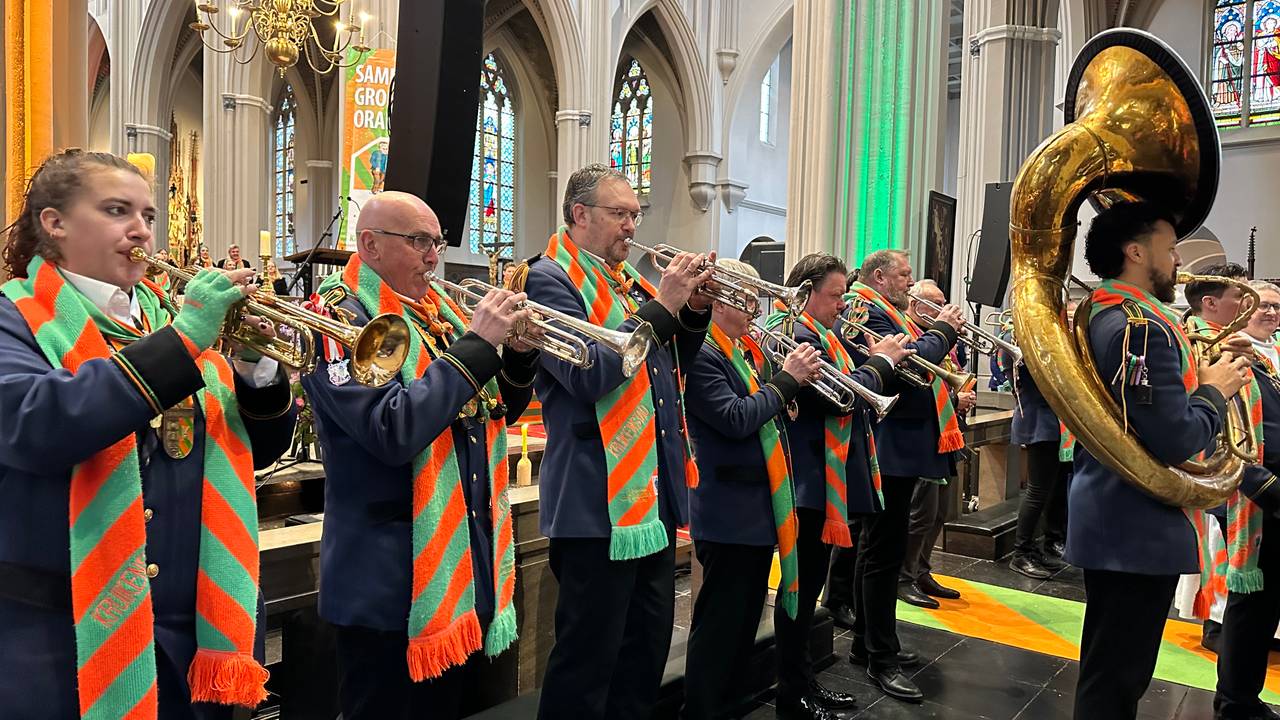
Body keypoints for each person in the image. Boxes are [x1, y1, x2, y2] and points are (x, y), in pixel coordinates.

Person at [0, 148, 297, 718]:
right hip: (66, 638)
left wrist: (257, 368)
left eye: (148, 216)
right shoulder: (15, 319)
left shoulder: (167, 321)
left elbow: (255, 450)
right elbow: (37, 426)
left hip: (190, 636)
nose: (140, 230)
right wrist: (186, 339)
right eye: (117, 211)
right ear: (54, 223)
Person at [299, 191, 538, 720]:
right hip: (388, 584)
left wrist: (518, 357)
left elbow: (495, 412)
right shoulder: (344, 318)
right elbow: (393, 428)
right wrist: (475, 347)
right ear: (370, 245)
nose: (434, 257)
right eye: (419, 242)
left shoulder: (436, 315)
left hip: (461, 568)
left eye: (437, 243)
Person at [523, 164, 713, 720]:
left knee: (644, 651)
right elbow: (589, 375)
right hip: (593, 500)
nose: (631, 226)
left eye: (635, 214)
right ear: (579, 215)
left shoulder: (624, 282)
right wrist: (665, 307)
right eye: (619, 214)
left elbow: (672, 366)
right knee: (587, 660)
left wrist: (694, 312)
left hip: (648, 497)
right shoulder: (547, 279)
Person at [1067, 201, 1250, 720]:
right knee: (1118, 679)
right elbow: (1174, 438)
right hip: (1134, 521)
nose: (1176, 261)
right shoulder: (1139, 326)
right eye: (1169, 249)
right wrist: (1216, 391)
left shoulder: (1104, 310)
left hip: (1118, 515)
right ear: (1135, 251)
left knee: (1111, 667)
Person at [766, 253, 912, 719]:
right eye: (833, 296)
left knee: (808, 593)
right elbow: (844, 398)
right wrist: (882, 364)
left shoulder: (824, 334)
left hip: (824, 480)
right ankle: (792, 691)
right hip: (808, 482)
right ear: (806, 294)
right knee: (799, 591)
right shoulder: (799, 336)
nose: (840, 306)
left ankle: (804, 681)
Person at [681, 258, 824, 720]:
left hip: (757, 511)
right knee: (720, 629)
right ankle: (700, 711)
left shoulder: (739, 351)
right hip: (728, 511)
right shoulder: (703, 352)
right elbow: (735, 418)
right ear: (720, 300)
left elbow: (762, 411)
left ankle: (724, 706)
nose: (754, 311)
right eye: (745, 299)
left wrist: (788, 395)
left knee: (742, 629)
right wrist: (786, 382)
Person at [843, 249, 965, 703]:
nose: (910, 283)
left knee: (881, 551)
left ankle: (868, 642)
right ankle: (880, 656)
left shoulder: (888, 310)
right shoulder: (868, 310)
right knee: (882, 553)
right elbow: (906, 366)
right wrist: (946, 330)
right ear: (880, 276)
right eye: (904, 275)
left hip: (902, 447)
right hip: (889, 446)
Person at [1215, 279, 1280, 720]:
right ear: (1243, 308)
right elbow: (1224, 436)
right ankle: (1235, 702)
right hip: (1259, 492)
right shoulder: (1228, 355)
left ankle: (1248, 698)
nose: (1273, 314)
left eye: (1278, 308)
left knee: (1269, 603)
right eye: (1265, 307)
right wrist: (1265, 485)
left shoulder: (1273, 355)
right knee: (1251, 608)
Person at [897, 279, 974, 607]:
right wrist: (954, 400)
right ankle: (904, 576)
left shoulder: (939, 341)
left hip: (945, 433)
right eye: (937, 303)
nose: (946, 309)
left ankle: (922, 569)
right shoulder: (911, 336)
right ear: (916, 306)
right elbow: (916, 385)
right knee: (920, 514)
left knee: (939, 512)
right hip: (923, 437)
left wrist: (958, 397)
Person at [1008, 298, 1080, 580]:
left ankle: (1041, 546)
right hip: (1040, 423)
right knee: (1037, 491)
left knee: (1054, 489)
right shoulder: (1027, 342)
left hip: (1058, 425)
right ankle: (1021, 553)